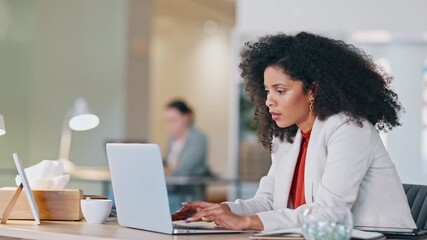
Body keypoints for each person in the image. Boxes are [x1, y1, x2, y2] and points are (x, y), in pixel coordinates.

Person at [172, 32, 416, 231]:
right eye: (267, 91)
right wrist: (224, 211)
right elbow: (268, 201)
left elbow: (328, 214)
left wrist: (246, 222)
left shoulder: (348, 128)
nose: (269, 101)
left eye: (280, 90)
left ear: (313, 90)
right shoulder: (287, 137)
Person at [164, 99, 211, 211]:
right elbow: (169, 166)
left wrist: (166, 169)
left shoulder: (198, 138)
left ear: (186, 118)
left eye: (173, 120)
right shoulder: (171, 140)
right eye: (167, 121)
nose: (169, 125)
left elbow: (183, 168)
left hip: (187, 192)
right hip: (171, 189)